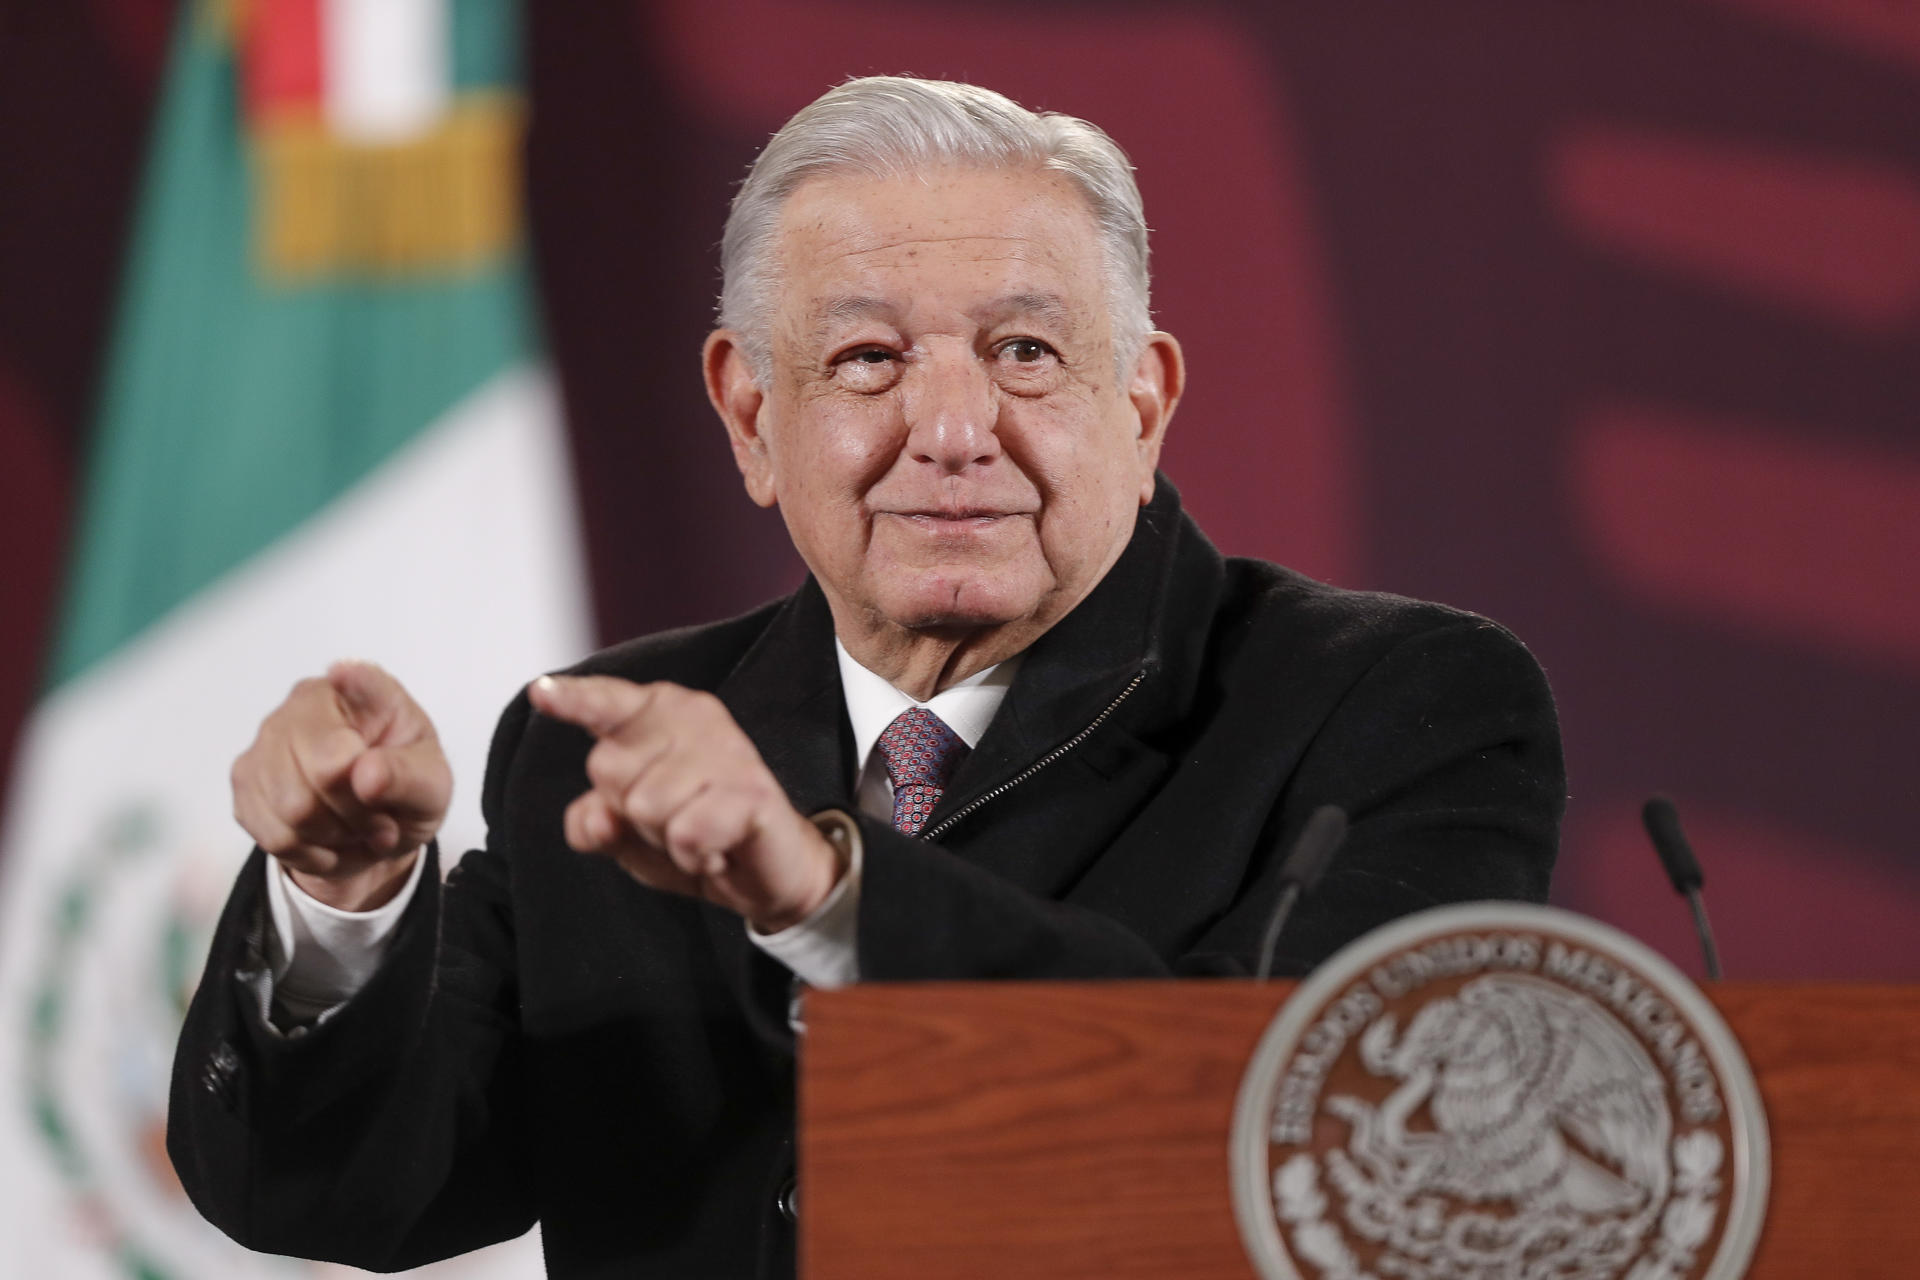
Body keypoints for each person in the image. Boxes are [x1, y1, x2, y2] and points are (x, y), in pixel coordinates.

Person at [169, 76, 1564, 1278]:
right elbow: (360, 1190)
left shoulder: (1397, 708)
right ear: (751, 413)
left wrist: (829, 897)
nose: (952, 428)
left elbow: (1314, 1152)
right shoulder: (612, 749)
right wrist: (340, 905)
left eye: (1024, 352)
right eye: (867, 358)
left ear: (1140, 407)